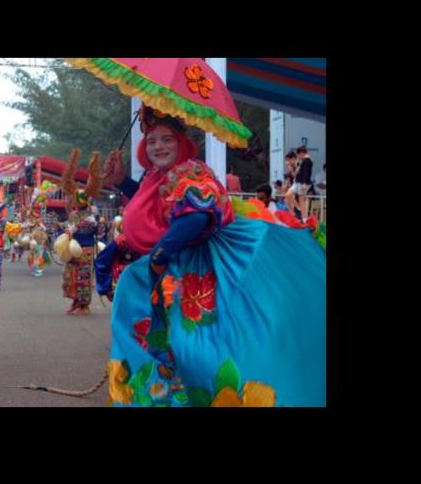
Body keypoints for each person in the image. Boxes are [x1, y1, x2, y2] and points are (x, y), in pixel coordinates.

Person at [96, 106, 325, 407]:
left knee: (201, 346)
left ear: (181, 142)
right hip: (168, 264)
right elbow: (159, 202)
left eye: (167, 139)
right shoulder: (159, 175)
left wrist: (162, 253)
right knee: (162, 337)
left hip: (201, 263)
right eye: (151, 140)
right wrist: (122, 180)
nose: (158, 146)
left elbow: (195, 215)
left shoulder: (190, 170)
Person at [60, 149, 104, 316]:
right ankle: (75, 302)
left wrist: (92, 225)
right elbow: (69, 228)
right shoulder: (73, 215)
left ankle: (84, 305)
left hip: (85, 249)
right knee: (71, 277)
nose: (76, 204)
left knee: (84, 278)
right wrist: (67, 232)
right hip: (72, 249)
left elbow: (99, 232)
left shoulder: (92, 215)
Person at [294, 147, 314, 219]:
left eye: (298, 155)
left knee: (301, 201)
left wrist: (304, 183)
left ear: (302, 153)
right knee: (299, 200)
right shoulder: (305, 161)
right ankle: (303, 216)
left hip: (303, 183)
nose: (298, 157)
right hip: (300, 182)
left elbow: (306, 173)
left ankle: (304, 218)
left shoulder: (307, 161)